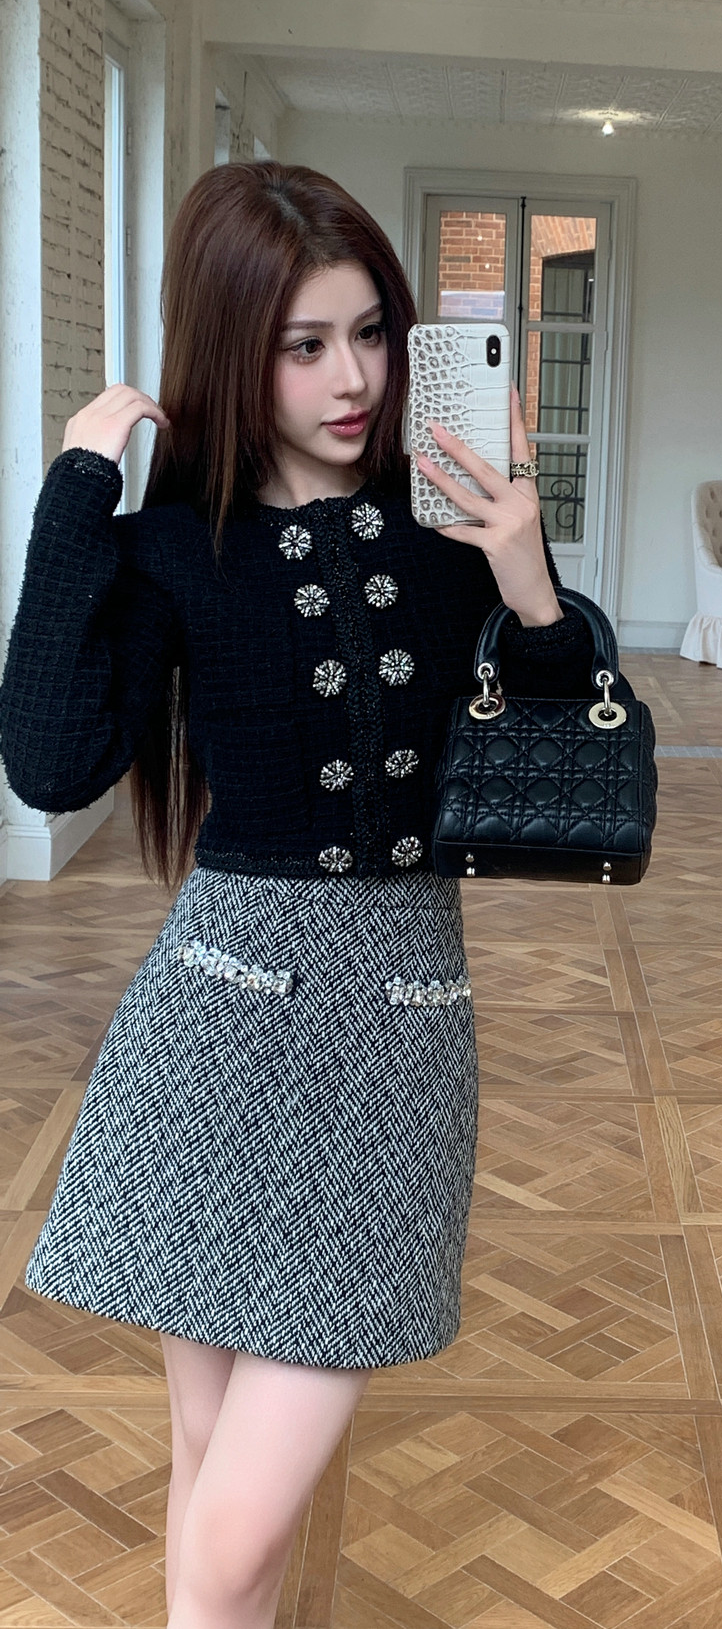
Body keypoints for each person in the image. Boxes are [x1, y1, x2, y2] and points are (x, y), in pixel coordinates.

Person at [0, 160, 611, 1629]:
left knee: (233, 1526)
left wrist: (528, 578)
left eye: (372, 334)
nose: (354, 380)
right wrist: (78, 499)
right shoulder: (174, 549)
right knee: (208, 1458)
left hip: (396, 1033)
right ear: (232, 348)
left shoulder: (453, 523)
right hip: (207, 1030)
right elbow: (50, 763)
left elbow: (571, 752)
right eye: (306, 344)